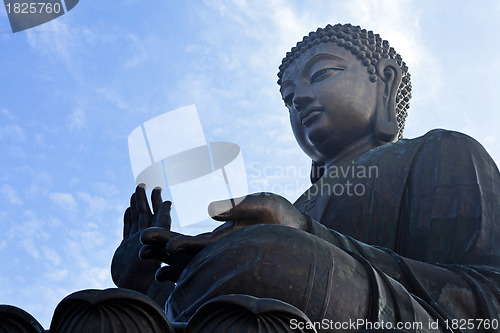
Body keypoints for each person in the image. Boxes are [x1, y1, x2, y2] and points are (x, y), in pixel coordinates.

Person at [112, 24, 500, 332]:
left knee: (269, 255)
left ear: (386, 80)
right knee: (108, 310)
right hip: (266, 305)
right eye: (289, 96)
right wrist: (144, 282)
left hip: (388, 316)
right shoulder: (295, 206)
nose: (299, 100)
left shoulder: (440, 152)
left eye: (322, 74)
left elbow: (487, 305)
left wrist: (304, 234)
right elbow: (211, 296)